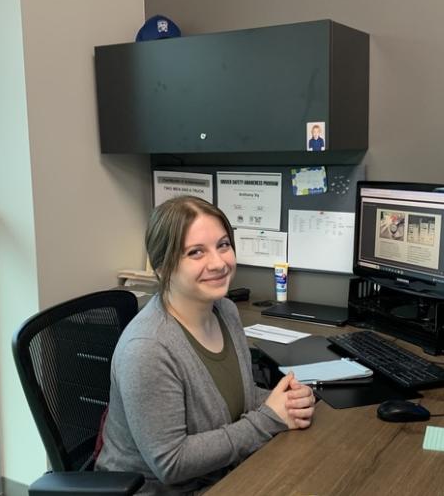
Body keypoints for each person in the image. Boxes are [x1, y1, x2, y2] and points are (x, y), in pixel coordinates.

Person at [95, 196, 315, 494]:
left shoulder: (225, 310)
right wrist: (268, 419)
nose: (218, 262)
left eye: (223, 245)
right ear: (162, 267)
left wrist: (283, 402)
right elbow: (171, 462)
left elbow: (235, 399)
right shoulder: (147, 348)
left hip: (223, 474)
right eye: (196, 252)